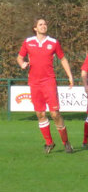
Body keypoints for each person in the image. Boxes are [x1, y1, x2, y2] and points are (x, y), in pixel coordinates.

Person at [17, 16, 75, 154]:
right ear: (35, 28)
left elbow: (63, 59)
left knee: (55, 114)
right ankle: (49, 143)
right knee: (40, 113)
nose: (43, 26)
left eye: (45, 24)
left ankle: (66, 142)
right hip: (34, 82)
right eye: (40, 24)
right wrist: (22, 64)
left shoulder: (53, 42)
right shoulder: (28, 42)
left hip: (48, 81)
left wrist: (70, 76)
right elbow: (19, 57)